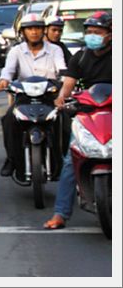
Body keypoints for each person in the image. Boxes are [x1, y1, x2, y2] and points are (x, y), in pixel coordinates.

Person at [44, 12, 112, 230]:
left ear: (109, 35)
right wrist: (62, 99)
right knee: (70, 160)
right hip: (88, 114)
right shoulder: (80, 57)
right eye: (89, 32)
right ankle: (61, 213)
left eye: (97, 32)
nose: (92, 36)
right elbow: (68, 86)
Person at [0, 13, 66, 178]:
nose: (34, 32)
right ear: (23, 32)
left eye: (37, 28)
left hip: (49, 97)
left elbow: (62, 70)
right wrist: (4, 81)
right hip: (24, 98)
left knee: (65, 121)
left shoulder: (55, 50)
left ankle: (63, 160)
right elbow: (8, 71)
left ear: (43, 31)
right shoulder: (16, 51)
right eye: (30, 29)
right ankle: (12, 158)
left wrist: (62, 87)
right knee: (8, 119)